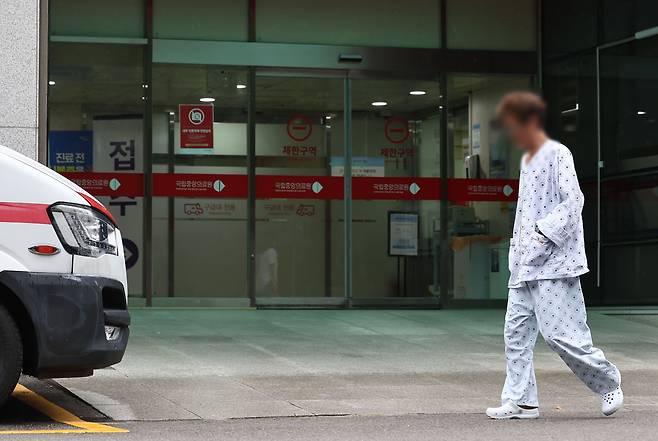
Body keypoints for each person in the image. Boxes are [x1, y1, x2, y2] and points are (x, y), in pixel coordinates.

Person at [486, 92, 623, 419]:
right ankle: (522, 401)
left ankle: (608, 382)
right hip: (524, 266)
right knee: (515, 334)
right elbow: (524, 212)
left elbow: (572, 201)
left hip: (552, 263)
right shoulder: (527, 160)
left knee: (561, 334)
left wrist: (540, 236)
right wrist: (517, 250)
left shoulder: (558, 153)